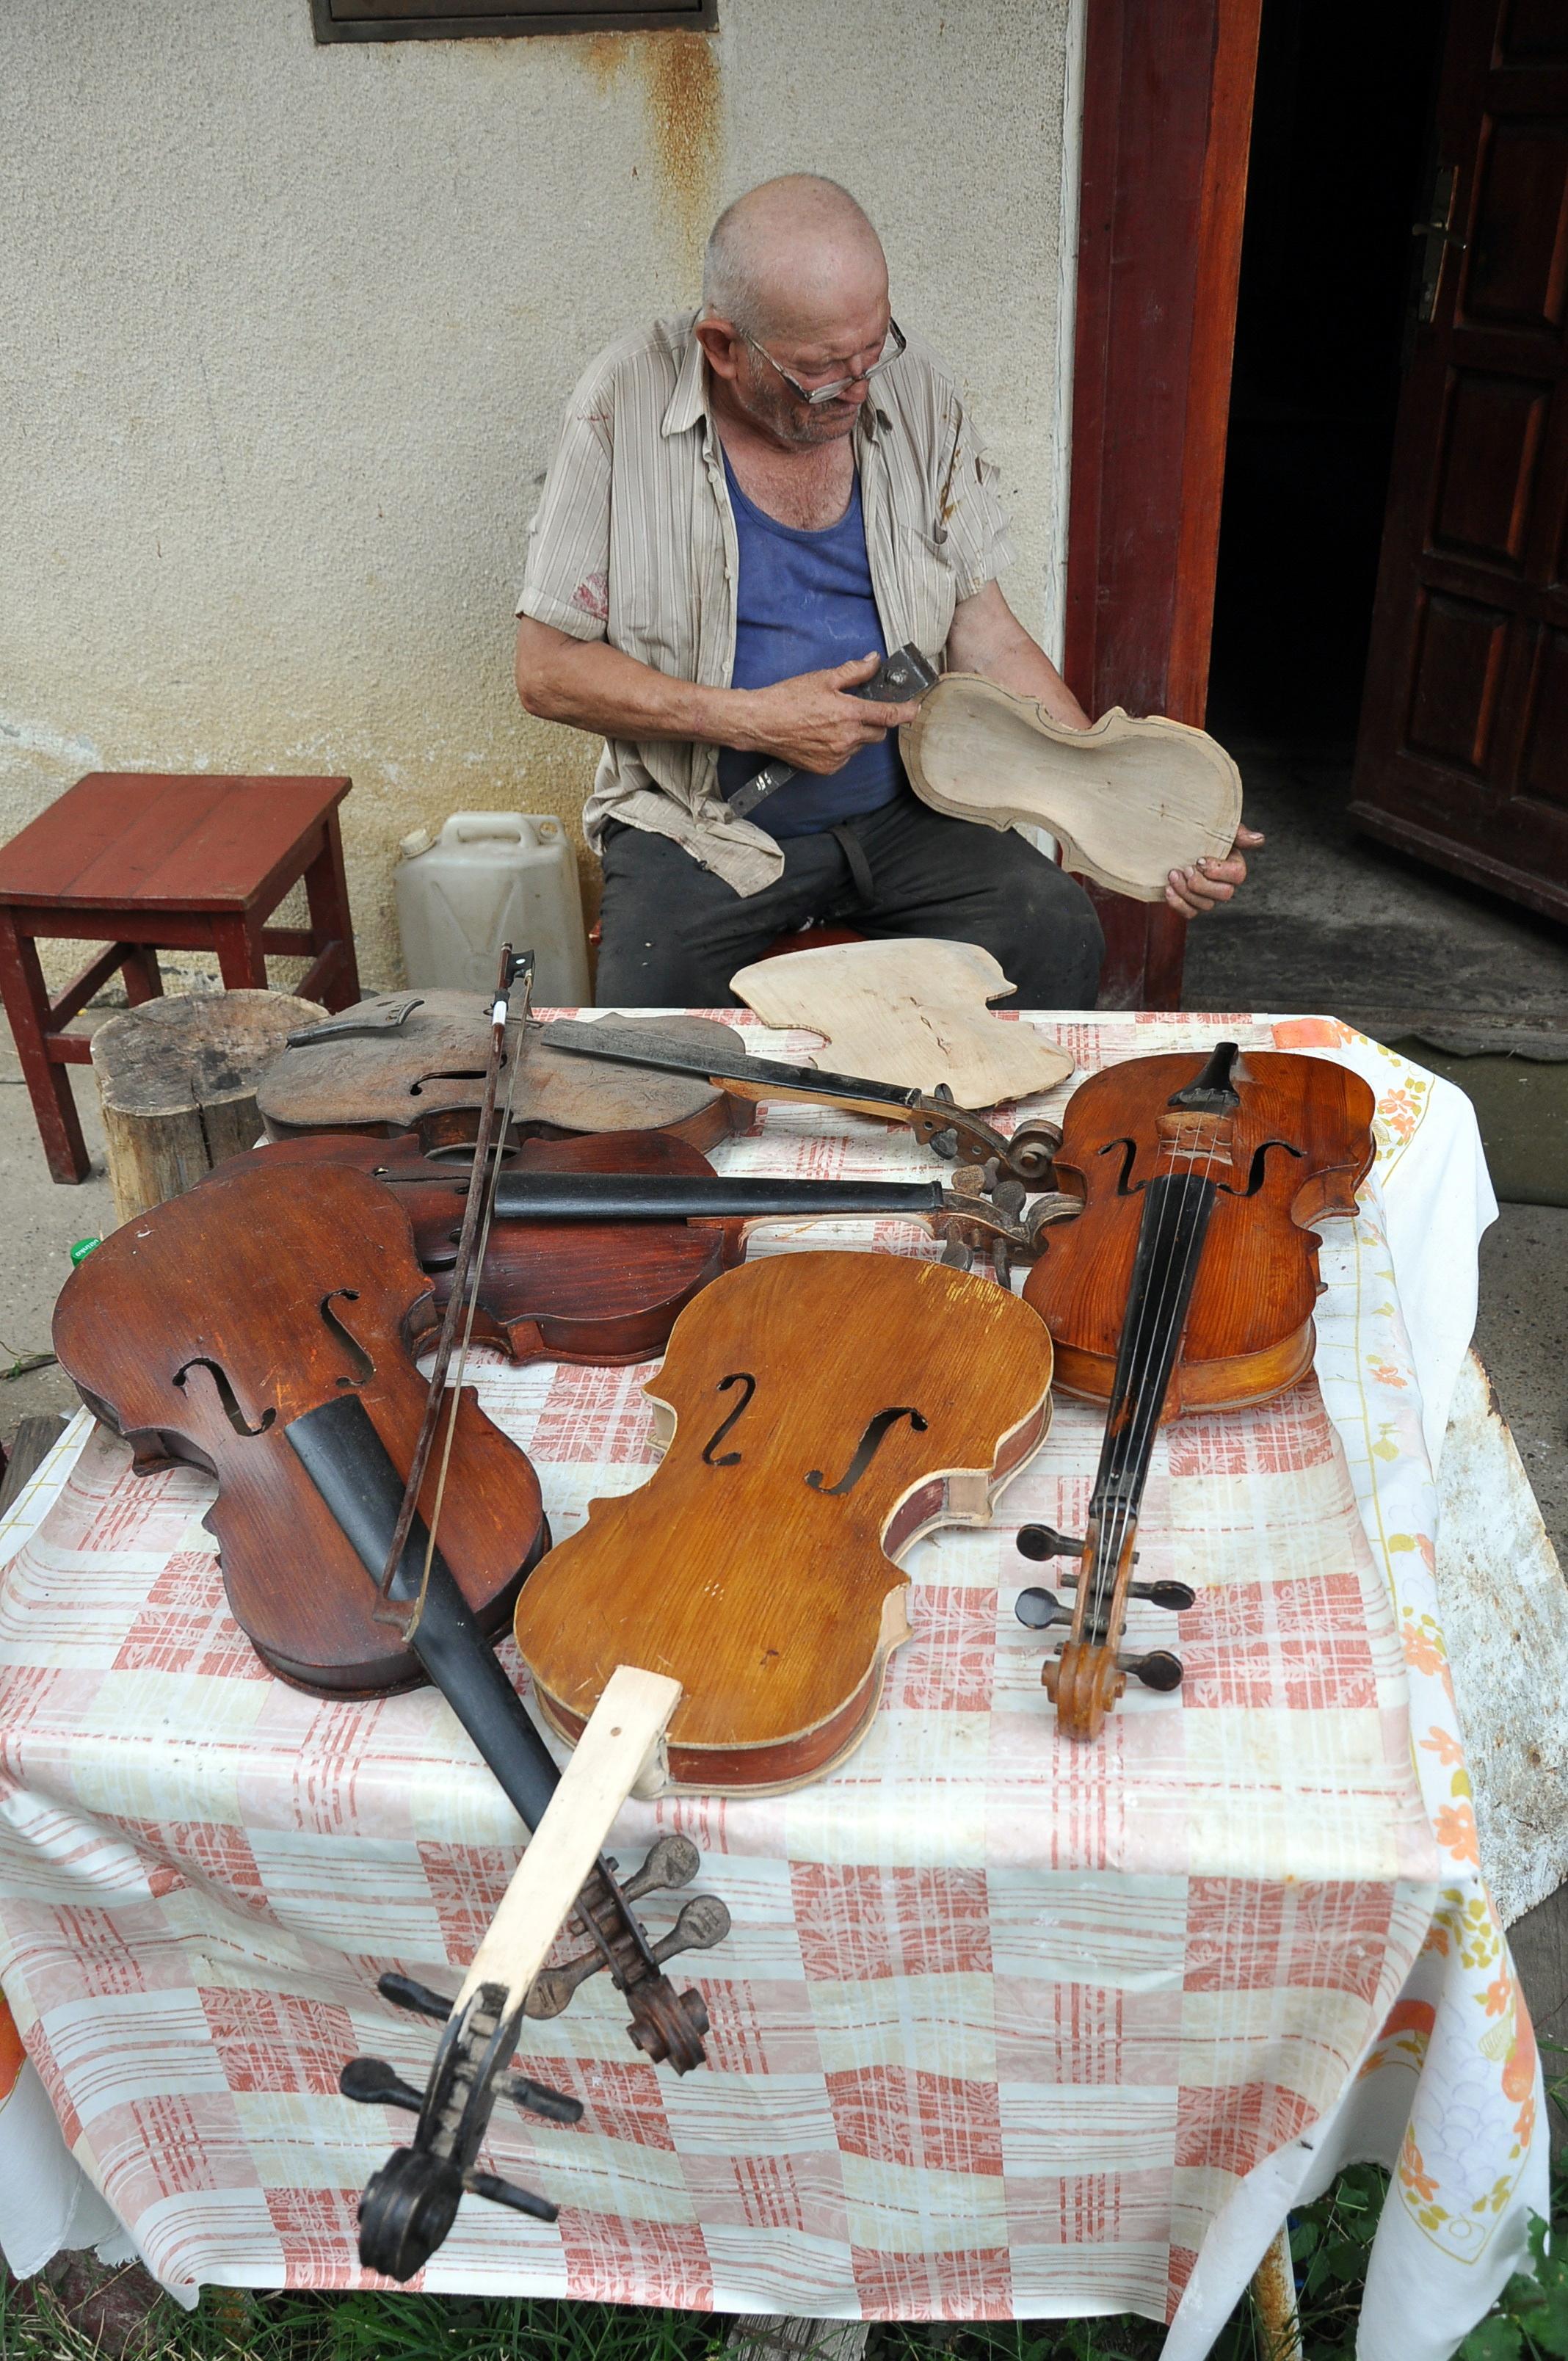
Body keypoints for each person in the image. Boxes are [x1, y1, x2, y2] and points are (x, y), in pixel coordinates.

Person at [515, 174, 1257, 1007]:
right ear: (724, 347)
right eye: (821, 373)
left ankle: (989, 1142)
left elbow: (987, 632)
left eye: (873, 351)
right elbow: (546, 671)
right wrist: (753, 719)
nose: (860, 389)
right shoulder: (620, 404)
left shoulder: (916, 389)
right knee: (652, 1032)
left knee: (1053, 932)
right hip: (702, 824)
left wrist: (1116, 804)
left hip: (911, 805)